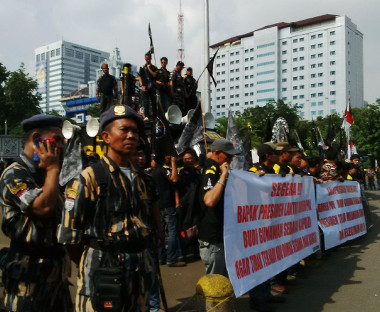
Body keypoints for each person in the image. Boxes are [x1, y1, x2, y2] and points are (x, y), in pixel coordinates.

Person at [57, 105, 156, 311]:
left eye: (135, 131)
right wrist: (94, 260)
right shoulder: (90, 177)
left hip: (138, 276)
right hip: (103, 274)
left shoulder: (142, 178)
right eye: (124, 130)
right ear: (106, 137)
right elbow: (69, 237)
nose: (131, 136)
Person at [0, 114, 72, 311]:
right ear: (36, 139)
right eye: (56, 140)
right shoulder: (14, 173)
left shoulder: (48, 174)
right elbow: (43, 208)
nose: (61, 146)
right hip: (27, 278)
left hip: (56, 276)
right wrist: (52, 170)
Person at [198, 138, 239, 275]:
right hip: (212, 237)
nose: (231, 158)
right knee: (214, 284)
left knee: (223, 282)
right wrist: (223, 177)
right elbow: (209, 200)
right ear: (217, 153)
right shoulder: (211, 170)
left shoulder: (219, 170)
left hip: (221, 235)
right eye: (228, 155)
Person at [151, 154, 186, 267]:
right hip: (168, 204)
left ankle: (161, 257)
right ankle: (171, 258)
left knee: (160, 231)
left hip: (158, 205)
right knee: (172, 232)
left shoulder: (152, 171)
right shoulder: (163, 170)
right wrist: (174, 163)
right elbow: (174, 179)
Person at [139, 53, 158, 120]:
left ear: (151, 58)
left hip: (152, 87)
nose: (148, 60)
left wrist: (149, 68)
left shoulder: (154, 67)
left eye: (149, 58)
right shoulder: (142, 67)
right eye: (146, 58)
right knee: (146, 102)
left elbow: (155, 75)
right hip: (145, 87)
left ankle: (155, 116)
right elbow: (140, 77)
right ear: (145, 58)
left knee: (154, 103)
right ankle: (146, 116)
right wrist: (141, 85)